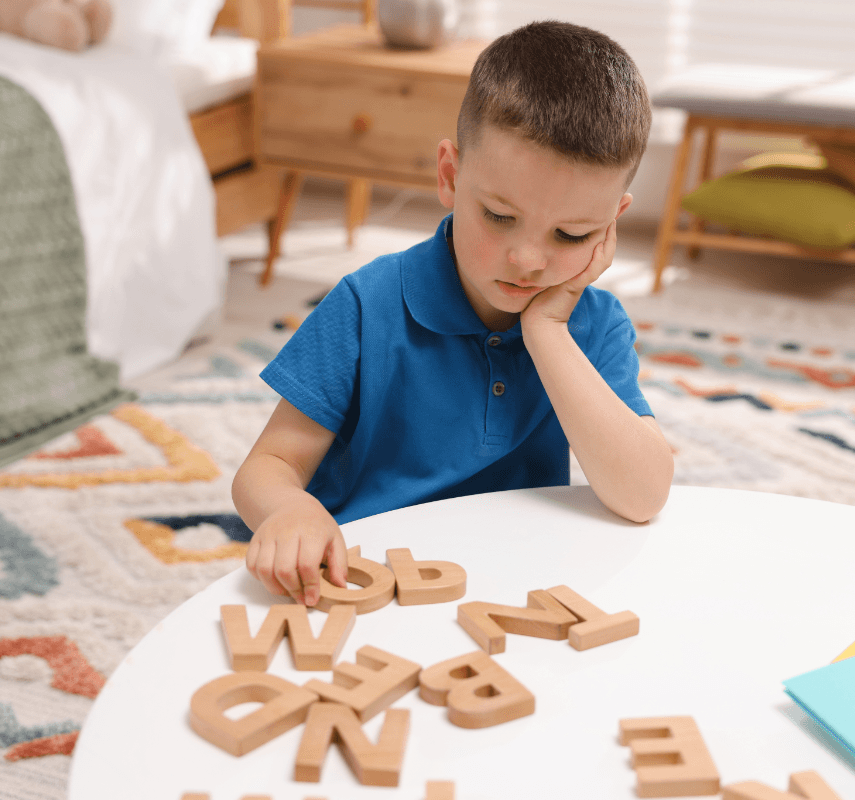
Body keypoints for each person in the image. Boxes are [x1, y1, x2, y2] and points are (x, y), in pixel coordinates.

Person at [232, 20, 675, 605]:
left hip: (510, 588)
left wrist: (545, 330)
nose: (528, 259)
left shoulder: (592, 326)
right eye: (497, 216)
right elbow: (266, 466)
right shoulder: (368, 304)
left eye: (572, 233)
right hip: (362, 582)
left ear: (612, 223)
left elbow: (642, 496)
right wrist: (291, 510)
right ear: (450, 174)